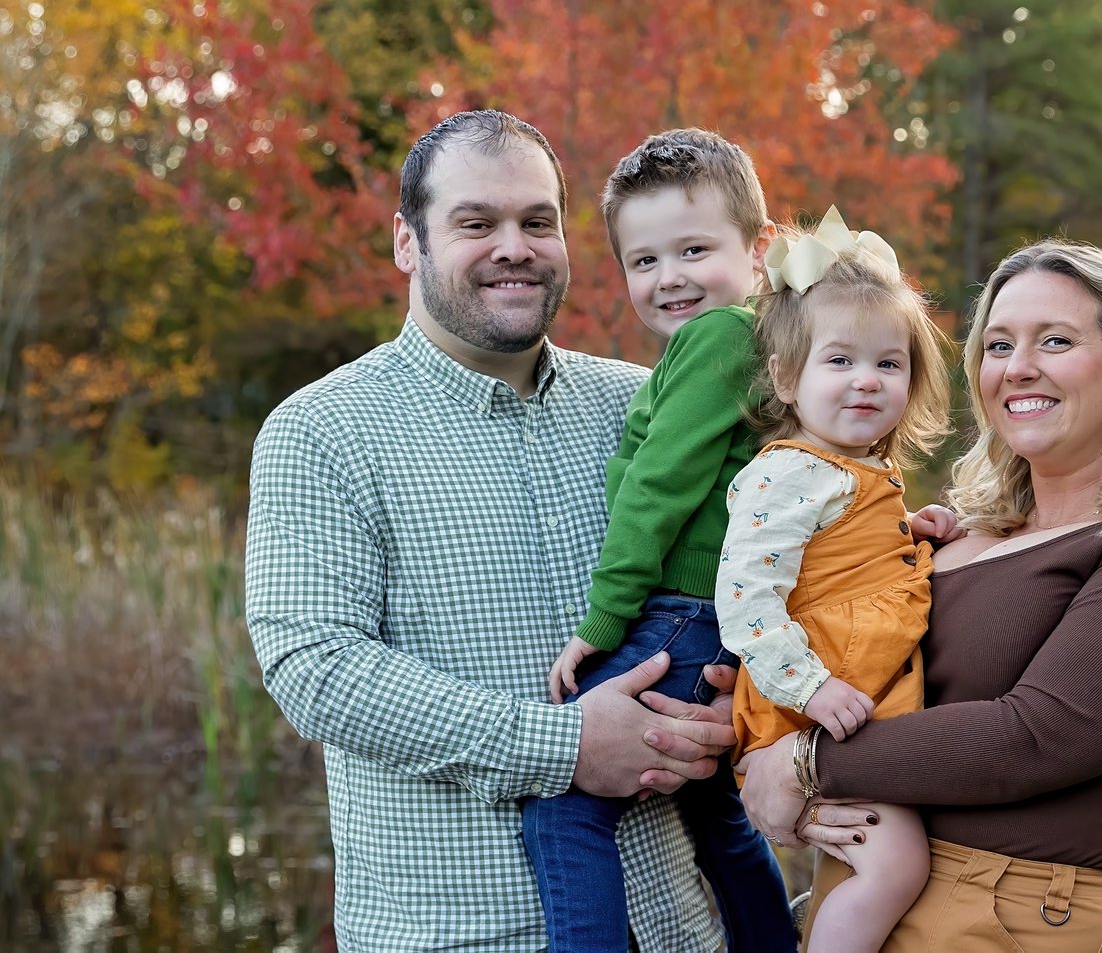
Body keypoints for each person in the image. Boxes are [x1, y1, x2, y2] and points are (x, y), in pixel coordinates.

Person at [245, 109, 739, 952]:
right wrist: (564, 746)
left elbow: (764, 556)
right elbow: (315, 668)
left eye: (538, 222)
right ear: (407, 242)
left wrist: (737, 709)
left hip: (679, 926)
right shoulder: (323, 430)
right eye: (476, 224)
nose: (515, 247)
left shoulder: (645, 404)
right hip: (463, 933)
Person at [739, 240, 1102, 952]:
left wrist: (807, 764)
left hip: (1024, 917)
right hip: (871, 893)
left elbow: (1036, 739)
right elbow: (846, 649)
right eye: (998, 345)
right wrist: (738, 720)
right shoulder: (954, 534)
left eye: (1056, 341)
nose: (1018, 368)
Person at [522, 127, 793, 952]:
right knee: (718, 817)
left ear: (759, 248)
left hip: (678, 613)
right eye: (644, 260)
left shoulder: (718, 337)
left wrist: (603, 621)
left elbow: (657, 490)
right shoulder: (755, 341)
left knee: (563, 811)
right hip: (719, 618)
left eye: (694, 249)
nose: (669, 276)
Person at [717, 208, 960, 953]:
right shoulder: (786, 473)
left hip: (843, 703)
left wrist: (908, 531)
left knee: (879, 862)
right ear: (786, 378)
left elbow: (838, 556)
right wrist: (810, 688)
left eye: (888, 364)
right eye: (840, 360)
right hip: (810, 707)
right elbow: (748, 597)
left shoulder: (852, 472)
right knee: (896, 866)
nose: (866, 381)